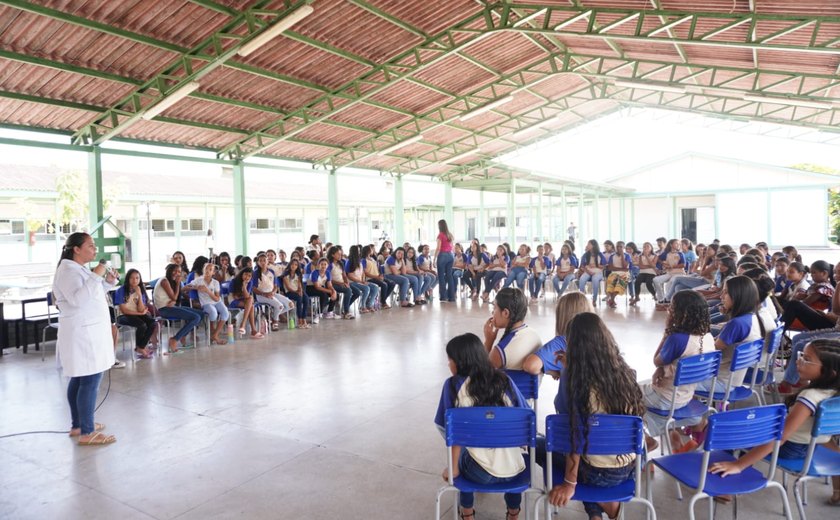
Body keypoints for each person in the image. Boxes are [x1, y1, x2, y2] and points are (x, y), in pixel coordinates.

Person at [538, 312, 645, 519]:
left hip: (597, 472)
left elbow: (575, 437)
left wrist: (570, 484)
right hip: (630, 467)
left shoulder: (581, 386)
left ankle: (605, 504)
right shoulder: (626, 374)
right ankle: (595, 514)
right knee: (590, 449)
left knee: (541, 445)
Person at [709, 339, 840, 507]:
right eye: (801, 355)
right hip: (811, 445)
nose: (798, 361)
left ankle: (725, 489)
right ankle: (838, 492)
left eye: (806, 359)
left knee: (734, 435)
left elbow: (780, 437)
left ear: (830, 373)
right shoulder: (834, 395)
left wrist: (739, 465)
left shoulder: (809, 398)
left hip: (791, 448)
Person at [434, 333, 530, 520]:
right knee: (508, 454)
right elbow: (527, 418)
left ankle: (467, 513)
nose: (448, 364)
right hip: (515, 470)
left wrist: (453, 467)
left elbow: (445, 429)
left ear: (460, 362)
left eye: (450, 360)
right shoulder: (505, 380)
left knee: (460, 445)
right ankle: (513, 513)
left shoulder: (453, 386)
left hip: (477, 473)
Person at [53, 232, 118, 445]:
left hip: (88, 331)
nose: (94, 249)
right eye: (90, 246)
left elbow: (92, 295)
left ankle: (79, 424)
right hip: (83, 334)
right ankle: (87, 432)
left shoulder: (77, 269)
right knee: (90, 379)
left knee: (80, 378)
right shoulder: (67, 271)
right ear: (76, 249)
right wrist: (96, 275)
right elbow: (78, 300)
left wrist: (107, 282)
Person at [640, 291, 713, 449]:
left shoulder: (677, 339)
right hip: (685, 395)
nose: (669, 310)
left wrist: (667, 330)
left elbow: (656, 360)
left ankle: (647, 440)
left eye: (672, 307)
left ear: (681, 313)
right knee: (643, 386)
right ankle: (675, 437)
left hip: (664, 398)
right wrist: (662, 369)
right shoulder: (707, 337)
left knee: (623, 396)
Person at [523, 292, 593, 379]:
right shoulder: (601, 339)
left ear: (562, 316)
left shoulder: (563, 342)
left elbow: (530, 365)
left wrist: (552, 372)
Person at [482, 288, 541, 370]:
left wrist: (489, 341)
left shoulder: (500, 351)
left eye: (494, 308)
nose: (492, 312)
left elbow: (481, 373)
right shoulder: (535, 335)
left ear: (505, 313)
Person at [154, 263, 203, 352]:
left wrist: (174, 300)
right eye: (175, 271)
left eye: (179, 272)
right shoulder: (164, 281)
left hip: (171, 307)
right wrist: (177, 284)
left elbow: (175, 299)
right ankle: (175, 339)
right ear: (169, 271)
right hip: (164, 309)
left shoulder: (171, 281)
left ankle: (182, 335)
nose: (177, 273)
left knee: (201, 314)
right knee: (196, 317)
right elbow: (174, 297)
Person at [114, 268, 157, 359]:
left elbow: (141, 309)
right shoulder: (121, 290)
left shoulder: (140, 290)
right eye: (132, 278)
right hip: (123, 316)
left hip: (137, 314)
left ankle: (140, 347)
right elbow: (124, 310)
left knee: (152, 322)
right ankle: (140, 348)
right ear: (128, 279)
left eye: (137, 278)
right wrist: (141, 314)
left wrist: (140, 295)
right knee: (142, 325)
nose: (135, 280)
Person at [188, 262, 229, 345]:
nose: (207, 271)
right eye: (206, 269)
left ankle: (215, 335)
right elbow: (185, 288)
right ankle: (213, 333)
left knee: (225, 313)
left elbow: (217, 298)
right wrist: (196, 287)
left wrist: (208, 291)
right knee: (213, 313)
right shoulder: (198, 280)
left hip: (217, 301)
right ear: (203, 270)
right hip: (206, 303)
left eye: (210, 269)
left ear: (213, 273)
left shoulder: (215, 282)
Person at [230, 267, 262, 338]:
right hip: (233, 302)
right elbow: (234, 297)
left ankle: (245, 326)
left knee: (250, 302)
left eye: (249, 276)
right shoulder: (234, 281)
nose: (247, 277)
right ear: (242, 274)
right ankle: (251, 329)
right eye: (245, 274)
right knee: (251, 303)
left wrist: (244, 287)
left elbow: (247, 296)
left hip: (245, 302)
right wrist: (244, 290)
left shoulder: (250, 282)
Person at [346, 245, 379, 314]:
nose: (360, 252)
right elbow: (349, 276)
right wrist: (360, 281)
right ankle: (362, 306)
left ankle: (369, 305)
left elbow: (363, 273)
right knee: (366, 288)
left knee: (375, 287)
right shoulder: (349, 261)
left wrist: (363, 281)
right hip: (352, 282)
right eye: (358, 251)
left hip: (360, 281)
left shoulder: (359, 261)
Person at [653, 239, 686, 308]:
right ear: (671, 245)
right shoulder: (666, 253)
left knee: (670, 283)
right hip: (669, 273)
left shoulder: (680, 253)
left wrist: (672, 266)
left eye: (678, 244)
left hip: (679, 273)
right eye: (676, 243)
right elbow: (658, 258)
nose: (678, 245)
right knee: (656, 280)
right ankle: (661, 299)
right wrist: (663, 264)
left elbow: (683, 265)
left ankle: (668, 300)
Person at [281, 258, 311, 328]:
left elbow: (299, 285)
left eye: (296, 265)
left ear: (297, 266)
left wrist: (300, 291)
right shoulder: (285, 275)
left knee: (306, 299)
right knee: (299, 298)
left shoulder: (298, 274)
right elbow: (288, 287)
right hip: (289, 292)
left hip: (297, 291)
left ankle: (304, 319)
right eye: (292, 264)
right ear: (289, 265)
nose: (293, 266)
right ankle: (299, 319)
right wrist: (297, 292)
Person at [362, 245, 393, 309]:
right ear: (368, 251)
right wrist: (376, 277)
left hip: (376, 277)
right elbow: (365, 272)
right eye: (371, 249)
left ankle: (382, 299)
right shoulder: (363, 260)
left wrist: (380, 275)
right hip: (369, 278)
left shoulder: (373, 259)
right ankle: (383, 302)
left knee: (391, 283)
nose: (373, 250)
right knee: (384, 284)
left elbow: (378, 268)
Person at [576, 239, 607, 305]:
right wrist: (588, 271)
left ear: (593, 245)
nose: (587, 245)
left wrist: (596, 265)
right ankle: (582, 298)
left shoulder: (600, 254)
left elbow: (604, 266)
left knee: (595, 279)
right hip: (588, 271)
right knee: (582, 279)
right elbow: (582, 266)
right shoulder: (585, 255)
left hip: (598, 272)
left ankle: (594, 299)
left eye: (589, 244)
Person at [604, 241, 632, 308]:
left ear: (624, 248)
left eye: (621, 247)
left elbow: (625, 266)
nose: (619, 248)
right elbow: (611, 268)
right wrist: (622, 269)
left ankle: (611, 299)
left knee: (620, 282)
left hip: (625, 274)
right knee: (610, 281)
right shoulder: (612, 256)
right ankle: (612, 300)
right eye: (617, 246)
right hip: (614, 273)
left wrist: (622, 255)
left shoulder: (627, 256)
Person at [435, 219, 456, 302]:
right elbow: (452, 247)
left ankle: (443, 297)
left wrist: (434, 258)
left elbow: (438, 248)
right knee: (449, 276)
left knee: (441, 277)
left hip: (442, 255)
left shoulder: (440, 235)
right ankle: (452, 297)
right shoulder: (449, 235)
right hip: (450, 255)